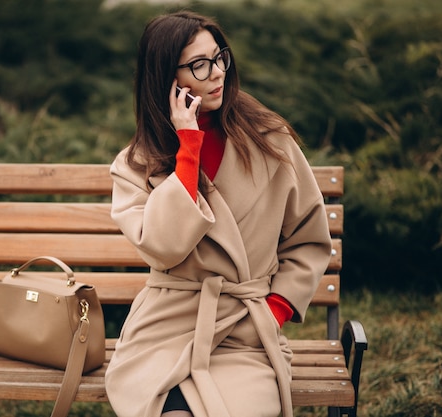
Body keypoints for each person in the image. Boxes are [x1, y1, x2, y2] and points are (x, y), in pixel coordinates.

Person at [104, 10, 332, 417]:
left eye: (219, 57)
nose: (216, 73)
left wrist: (274, 311)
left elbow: (308, 239)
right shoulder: (136, 164)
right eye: (198, 65)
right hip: (166, 329)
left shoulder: (271, 141)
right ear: (165, 78)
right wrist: (188, 147)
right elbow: (163, 247)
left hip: (246, 333)